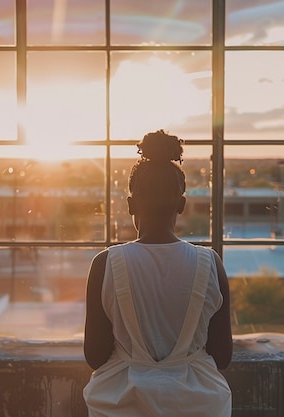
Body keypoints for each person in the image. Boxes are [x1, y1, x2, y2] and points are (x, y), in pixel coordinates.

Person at [83, 130, 233, 417]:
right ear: (182, 205)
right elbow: (223, 356)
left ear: (130, 205)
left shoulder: (105, 263)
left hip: (121, 405)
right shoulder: (210, 263)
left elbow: (95, 356)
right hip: (200, 405)